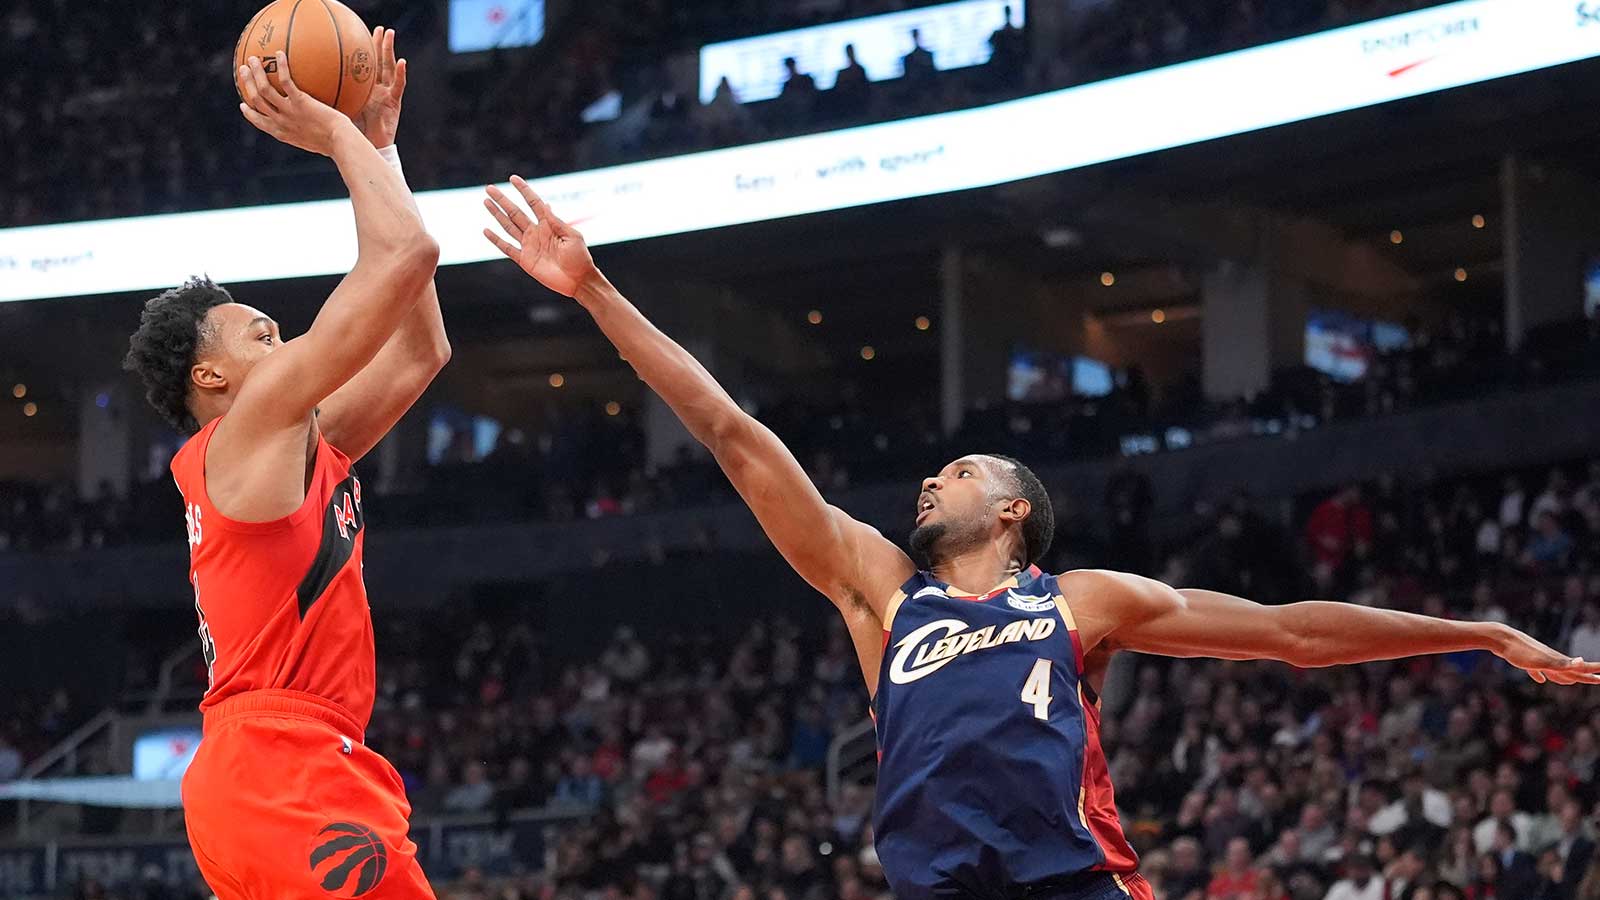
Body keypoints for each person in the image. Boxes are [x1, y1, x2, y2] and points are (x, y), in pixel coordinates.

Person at [478, 179, 1600, 900]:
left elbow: (1290, 634)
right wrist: (594, 291)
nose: (930, 478)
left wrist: (1475, 632)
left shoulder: (1081, 602)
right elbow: (731, 432)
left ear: (1014, 508)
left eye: (957, 471)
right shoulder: (880, 594)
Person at [123, 34, 447, 900]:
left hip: (274, 766)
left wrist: (383, 149)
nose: (284, 336)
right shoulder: (247, 428)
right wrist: (343, 136)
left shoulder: (293, 439)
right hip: (280, 767)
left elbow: (421, 350)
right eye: (261, 334)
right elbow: (405, 258)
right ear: (211, 378)